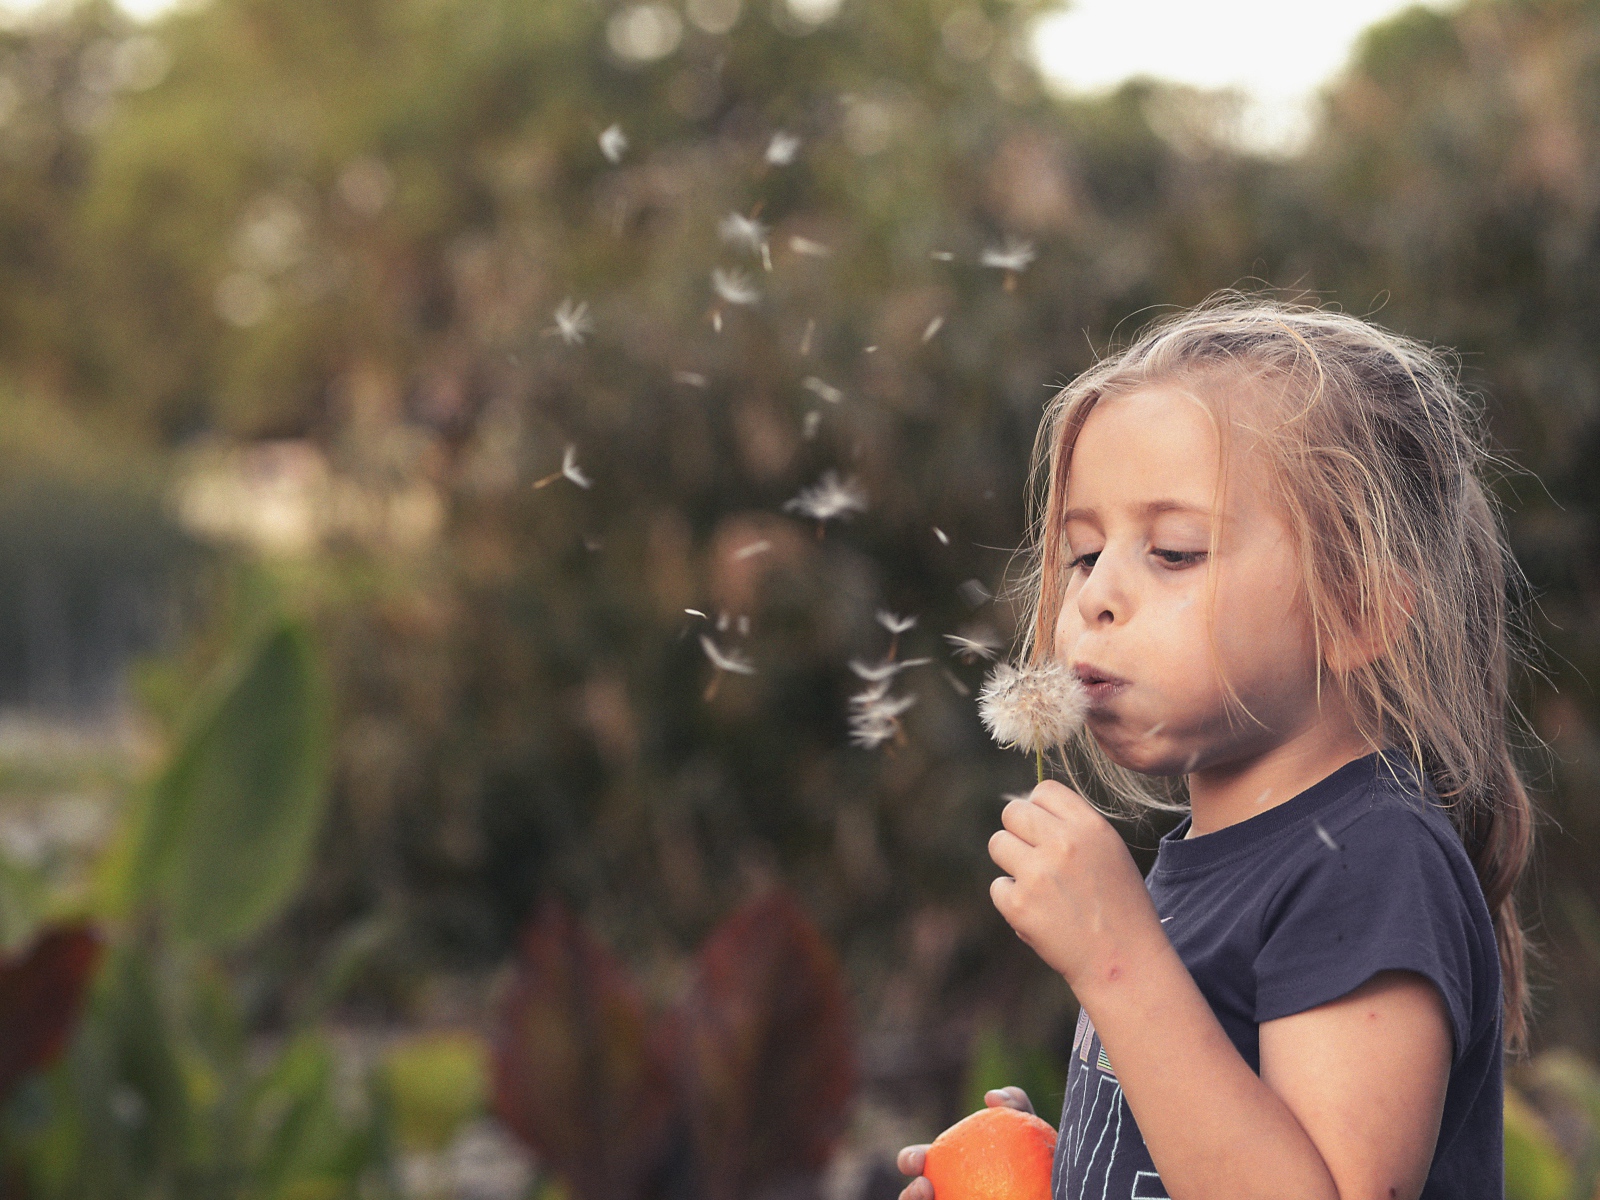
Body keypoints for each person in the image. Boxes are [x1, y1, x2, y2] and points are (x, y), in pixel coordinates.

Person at [898, 298, 1534, 1199]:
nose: (1096, 597)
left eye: (1174, 550)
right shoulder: (1200, 870)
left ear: (1357, 609)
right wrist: (1077, 1163)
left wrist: (1118, 961)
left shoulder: (1367, 863)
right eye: (1083, 555)